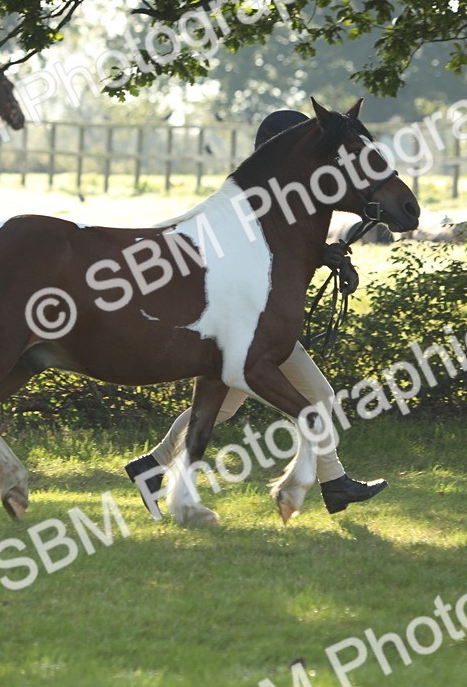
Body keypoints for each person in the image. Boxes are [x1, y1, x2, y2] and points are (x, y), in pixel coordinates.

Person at [125, 110, 387, 517]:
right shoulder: (258, 197)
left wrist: (325, 254)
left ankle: (152, 466)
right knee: (317, 397)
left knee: (226, 407)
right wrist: (321, 254)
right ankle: (334, 484)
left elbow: (283, 250)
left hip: (254, 323)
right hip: (248, 325)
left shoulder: (280, 196)